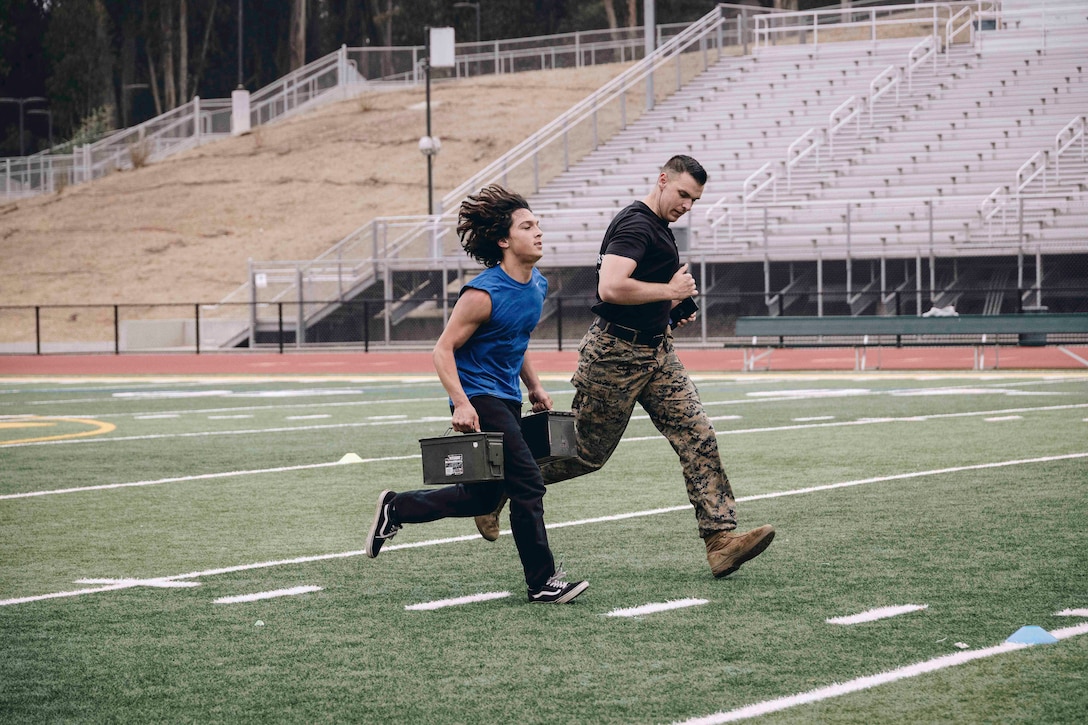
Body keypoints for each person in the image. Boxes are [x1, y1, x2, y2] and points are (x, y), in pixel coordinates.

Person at [475, 155, 775, 579]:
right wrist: (669, 288)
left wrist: (670, 307)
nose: (687, 204)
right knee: (585, 453)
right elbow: (611, 286)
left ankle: (720, 541)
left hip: (657, 352)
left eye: (695, 200)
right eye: (683, 194)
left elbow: (639, 291)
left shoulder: (658, 229)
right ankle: (497, 490)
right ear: (662, 181)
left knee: (698, 434)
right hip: (616, 353)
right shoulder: (636, 224)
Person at [365, 184, 588, 604]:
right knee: (528, 484)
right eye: (527, 226)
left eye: (538, 224)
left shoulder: (536, 285)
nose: (538, 231)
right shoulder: (482, 294)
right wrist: (462, 402)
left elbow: (514, 342)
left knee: (481, 496)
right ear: (504, 240)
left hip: (506, 398)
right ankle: (541, 582)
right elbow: (442, 350)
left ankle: (396, 508)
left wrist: (534, 385)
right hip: (479, 398)